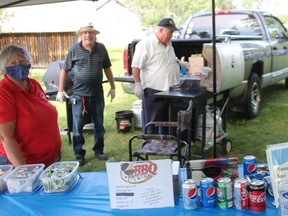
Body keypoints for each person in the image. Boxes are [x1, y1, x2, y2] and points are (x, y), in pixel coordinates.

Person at [56, 23, 115, 166]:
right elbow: (65, 69)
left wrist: (113, 87)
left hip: (97, 94)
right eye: (84, 33)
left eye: (90, 33)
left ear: (95, 35)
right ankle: (79, 154)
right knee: (77, 127)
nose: (88, 35)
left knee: (99, 125)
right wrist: (60, 89)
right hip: (78, 95)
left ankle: (99, 150)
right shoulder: (74, 49)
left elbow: (107, 68)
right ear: (80, 35)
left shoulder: (101, 49)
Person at [0, 45, 62, 167]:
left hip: (49, 159)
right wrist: (25, 172)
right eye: (13, 63)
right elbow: (6, 138)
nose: (18, 66)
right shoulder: (3, 92)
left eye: (23, 61)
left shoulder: (33, 84)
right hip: (26, 165)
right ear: (4, 69)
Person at [131, 18, 189, 134]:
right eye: (169, 33)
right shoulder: (146, 44)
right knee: (152, 121)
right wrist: (137, 84)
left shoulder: (169, 44)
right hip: (155, 90)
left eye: (172, 33)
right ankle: (149, 144)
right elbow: (136, 66)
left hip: (171, 89)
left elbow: (168, 58)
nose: (171, 36)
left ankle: (168, 144)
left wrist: (179, 62)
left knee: (169, 120)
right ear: (160, 30)